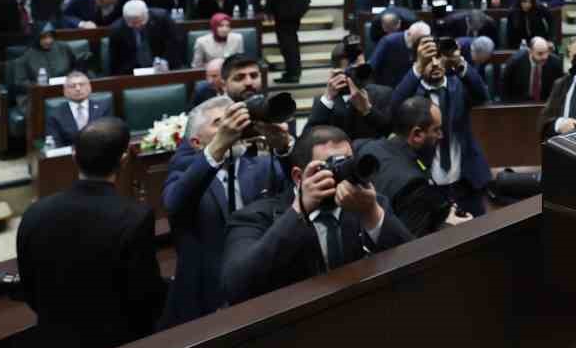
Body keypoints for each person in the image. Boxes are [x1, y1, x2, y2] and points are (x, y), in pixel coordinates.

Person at [16, 118, 166, 348]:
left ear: (74, 156)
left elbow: (29, 287)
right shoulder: (135, 217)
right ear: (124, 159)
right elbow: (144, 295)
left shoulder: (36, 212)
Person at [219, 126, 413, 306]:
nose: (342, 172)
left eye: (347, 162)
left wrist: (372, 213)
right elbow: (236, 287)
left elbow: (413, 262)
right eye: (331, 165)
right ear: (298, 176)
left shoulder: (368, 203)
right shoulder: (254, 216)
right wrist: (299, 210)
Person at [160, 96, 291, 327]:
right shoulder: (185, 171)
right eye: (219, 122)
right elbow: (175, 204)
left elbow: (296, 190)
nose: (233, 127)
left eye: (234, 119)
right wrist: (219, 145)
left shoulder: (261, 166)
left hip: (262, 287)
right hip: (205, 297)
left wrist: (283, 146)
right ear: (197, 142)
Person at [393, 35, 491, 215]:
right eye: (429, 60)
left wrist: (459, 61)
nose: (436, 63)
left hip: (465, 180)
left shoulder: (458, 86)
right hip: (429, 183)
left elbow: (482, 94)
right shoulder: (412, 95)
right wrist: (417, 67)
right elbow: (394, 107)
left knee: (478, 232)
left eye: (439, 57)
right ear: (420, 63)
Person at [356, 96, 465, 236]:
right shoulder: (414, 184)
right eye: (436, 130)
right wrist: (446, 227)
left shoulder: (368, 148)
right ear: (417, 134)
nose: (441, 135)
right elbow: (412, 248)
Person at [107, 0, 182, 75]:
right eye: (133, 23)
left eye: (140, 22)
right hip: (132, 73)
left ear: (147, 14)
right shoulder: (116, 30)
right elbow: (115, 61)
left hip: (164, 69)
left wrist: (165, 61)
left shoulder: (163, 19)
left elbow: (174, 44)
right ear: (125, 19)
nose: (137, 26)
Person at [44, 71, 111, 147]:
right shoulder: (55, 115)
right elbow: (55, 144)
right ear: (65, 91)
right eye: (72, 86)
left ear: (89, 88)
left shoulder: (103, 107)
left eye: (82, 85)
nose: (78, 89)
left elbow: (109, 135)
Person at [500, 36, 563, 103]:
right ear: (530, 51)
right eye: (540, 53)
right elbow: (505, 88)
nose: (545, 57)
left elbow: (559, 89)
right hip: (519, 103)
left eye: (547, 52)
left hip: (545, 104)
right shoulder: (515, 62)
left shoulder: (555, 63)